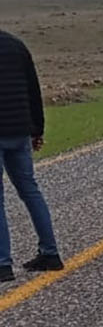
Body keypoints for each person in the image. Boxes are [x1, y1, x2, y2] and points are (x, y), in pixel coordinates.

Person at [0, 28, 61, 282]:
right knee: (30, 190)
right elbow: (33, 89)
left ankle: (3, 264)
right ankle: (50, 252)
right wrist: (37, 129)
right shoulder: (16, 45)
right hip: (20, 129)